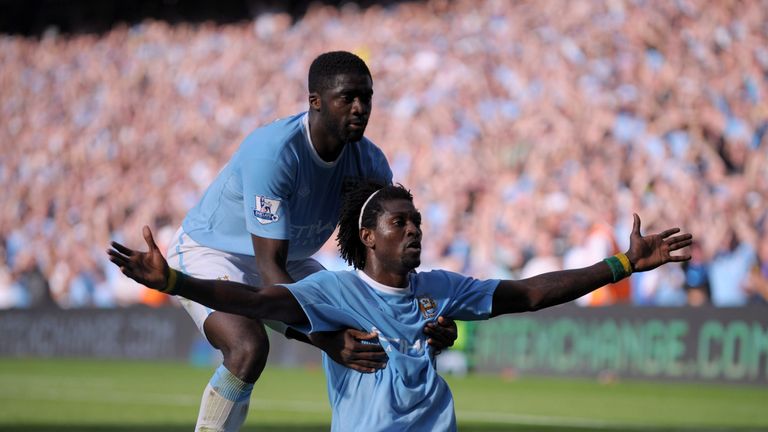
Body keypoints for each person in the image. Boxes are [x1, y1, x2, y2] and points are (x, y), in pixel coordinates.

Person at [108, 182, 693, 432]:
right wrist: (178, 280)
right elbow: (257, 298)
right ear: (369, 236)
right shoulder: (335, 292)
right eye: (400, 222)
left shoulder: (439, 286)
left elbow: (528, 293)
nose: (414, 230)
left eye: (417, 221)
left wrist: (621, 264)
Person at [165, 51, 457, 431]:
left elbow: (381, 263)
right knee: (248, 347)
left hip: (290, 259)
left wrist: (421, 321)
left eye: (366, 97)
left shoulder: (371, 164)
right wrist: (325, 339)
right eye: (347, 97)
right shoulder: (275, 153)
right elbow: (270, 269)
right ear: (315, 101)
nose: (360, 108)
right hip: (212, 251)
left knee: (368, 335)